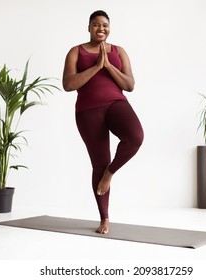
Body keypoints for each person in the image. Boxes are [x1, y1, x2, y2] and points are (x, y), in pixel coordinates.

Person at [62, 10, 144, 234]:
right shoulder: (75, 52)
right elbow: (68, 85)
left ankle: (110, 173)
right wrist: (96, 66)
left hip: (116, 103)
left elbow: (129, 85)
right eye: (96, 24)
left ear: (109, 28)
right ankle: (105, 219)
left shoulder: (119, 51)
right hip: (88, 111)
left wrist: (108, 65)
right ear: (89, 27)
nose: (101, 28)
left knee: (135, 137)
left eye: (105, 25)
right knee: (99, 162)